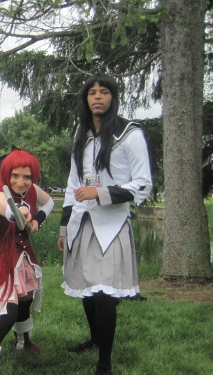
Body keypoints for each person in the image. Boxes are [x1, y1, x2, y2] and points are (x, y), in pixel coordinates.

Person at [56, 73, 152, 375]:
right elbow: (73, 185)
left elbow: (143, 184)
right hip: (82, 222)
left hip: (112, 224)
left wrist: (101, 193)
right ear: (86, 99)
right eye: (92, 93)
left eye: (104, 92)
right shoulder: (80, 136)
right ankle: (96, 340)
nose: (97, 97)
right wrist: (63, 227)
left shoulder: (129, 134)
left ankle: (104, 362)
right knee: (87, 288)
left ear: (113, 97)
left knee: (105, 293)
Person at [0, 149, 54, 374]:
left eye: (27, 176)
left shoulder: (32, 190)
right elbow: (7, 210)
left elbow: (49, 202)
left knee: (25, 298)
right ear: (6, 173)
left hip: (20, 253)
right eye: (15, 175)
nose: (21, 182)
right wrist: (21, 212)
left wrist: (38, 220)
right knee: (8, 309)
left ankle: (22, 342)